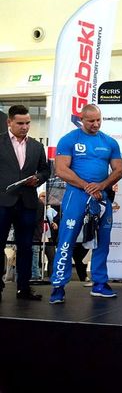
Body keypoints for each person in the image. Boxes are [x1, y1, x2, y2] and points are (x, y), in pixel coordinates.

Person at [49, 104, 122, 304]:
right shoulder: (69, 140)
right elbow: (61, 170)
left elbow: (119, 170)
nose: (95, 124)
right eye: (91, 120)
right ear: (81, 119)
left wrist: (102, 185)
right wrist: (86, 186)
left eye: (98, 120)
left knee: (103, 241)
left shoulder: (109, 142)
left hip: (101, 196)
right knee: (67, 240)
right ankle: (58, 286)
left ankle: (100, 283)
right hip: (76, 195)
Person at [0, 104, 50, 301]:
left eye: (27, 123)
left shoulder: (37, 147)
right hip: (3, 202)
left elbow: (46, 170)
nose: (25, 127)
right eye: (20, 123)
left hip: (28, 203)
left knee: (26, 247)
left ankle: (24, 288)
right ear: (9, 122)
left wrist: (38, 178)